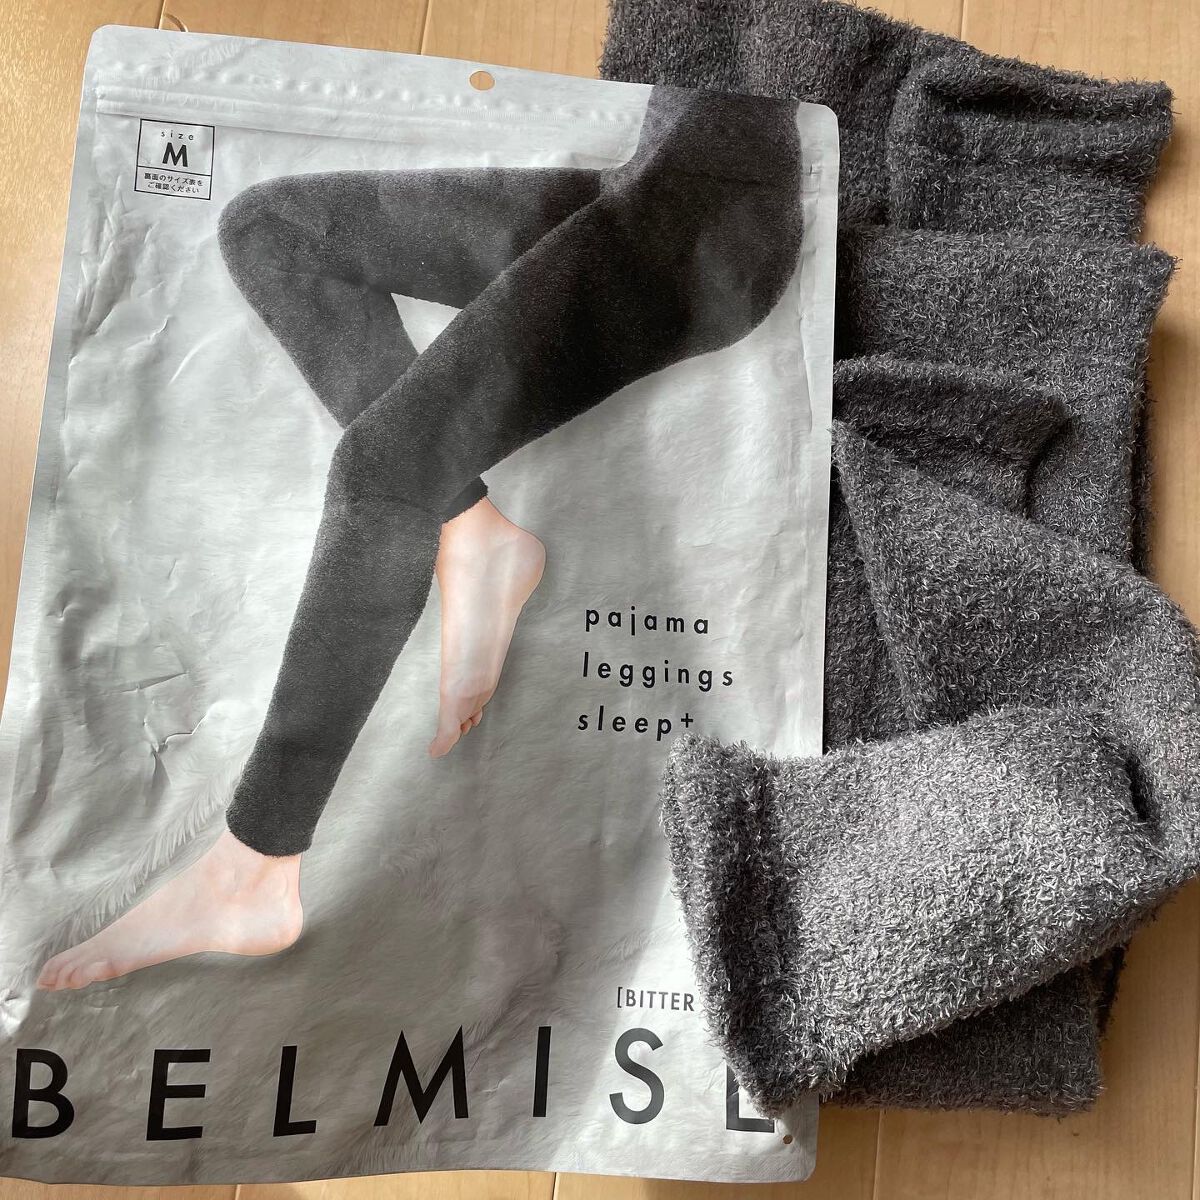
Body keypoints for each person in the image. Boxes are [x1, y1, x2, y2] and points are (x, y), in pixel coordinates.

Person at [37, 87, 804, 990]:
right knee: (273, 230)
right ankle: (472, 532)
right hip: (652, 181)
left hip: (702, 223)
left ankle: (254, 866)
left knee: (382, 472)